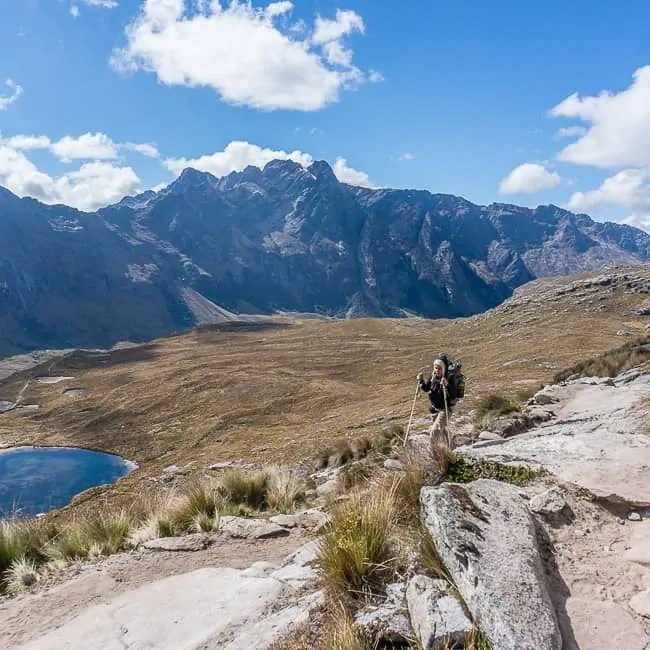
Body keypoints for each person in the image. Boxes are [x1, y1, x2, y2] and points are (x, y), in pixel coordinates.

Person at [417, 357, 457, 446]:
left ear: (443, 368)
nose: (437, 370)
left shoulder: (449, 378)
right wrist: (421, 381)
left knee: (435, 430)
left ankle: (432, 451)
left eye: (439, 368)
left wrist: (447, 385)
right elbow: (426, 388)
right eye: (436, 368)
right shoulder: (433, 376)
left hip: (445, 409)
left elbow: (454, 394)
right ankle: (450, 446)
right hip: (434, 409)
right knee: (442, 430)